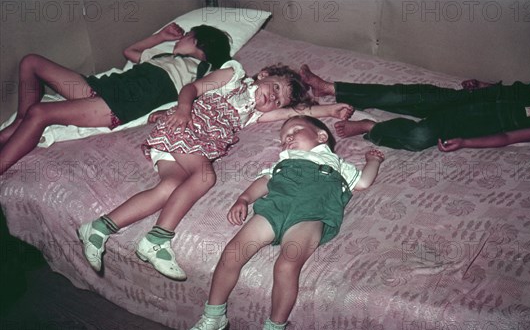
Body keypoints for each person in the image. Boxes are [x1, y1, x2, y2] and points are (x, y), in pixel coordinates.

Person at [77, 62, 354, 281]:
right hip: (183, 127)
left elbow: (291, 115)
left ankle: (99, 227)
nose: (273, 98)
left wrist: (331, 109)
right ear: (264, 74)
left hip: (189, 146)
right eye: (276, 88)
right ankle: (157, 239)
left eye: (278, 100)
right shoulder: (233, 76)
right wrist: (184, 110)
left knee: (169, 188)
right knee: (205, 176)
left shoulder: (253, 114)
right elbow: (191, 89)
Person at [178, 115, 385, 330]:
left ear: (321, 136)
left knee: (287, 264)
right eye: (283, 137)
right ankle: (213, 315)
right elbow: (265, 182)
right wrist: (243, 198)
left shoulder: (337, 163)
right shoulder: (283, 161)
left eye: (295, 131)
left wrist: (373, 161)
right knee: (233, 252)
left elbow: (363, 183)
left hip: (312, 213)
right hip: (276, 207)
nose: (287, 138)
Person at [0, 23, 232, 175]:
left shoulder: (203, 69)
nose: (180, 38)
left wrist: (183, 108)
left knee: (40, 112)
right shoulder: (164, 55)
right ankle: (20, 123)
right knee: (31, 62)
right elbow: (130, 53)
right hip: (105, 86)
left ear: (198, 42)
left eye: (188, 35)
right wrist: (160, 36)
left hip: (123, 102)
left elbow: (206, 89)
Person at [300, 65, 530, 152]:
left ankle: (371, 128)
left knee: (418, 138)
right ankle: (330, 88)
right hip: (456, 101)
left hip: (463, 125)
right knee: (400, 96)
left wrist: (467, 142)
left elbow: (506, 138)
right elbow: (508, 91)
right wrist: (482, 85)